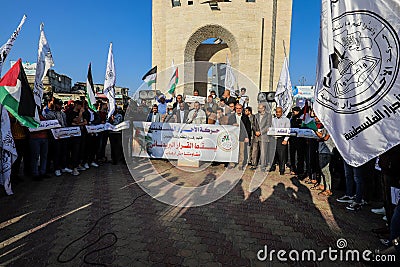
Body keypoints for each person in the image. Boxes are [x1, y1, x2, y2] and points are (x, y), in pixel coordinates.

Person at [44, 98, 72, 177]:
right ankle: (56, 168)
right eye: (58, 105)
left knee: (64, 152)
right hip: (55, 137)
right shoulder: (49, 114)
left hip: (64, 135)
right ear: (54, 105)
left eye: (60, 105)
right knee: (56, 153)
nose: (59, 106)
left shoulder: (63, 114)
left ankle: (64, 166)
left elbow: (65, 123)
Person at [314, 116, 335, 196]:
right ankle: (322, 185)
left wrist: (315, 130)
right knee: (323, 169)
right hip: (322, 149)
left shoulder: (329, 127)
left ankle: (328, 189)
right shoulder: (325, 127)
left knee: (325, 170)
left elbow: (325, 138)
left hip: (326, 150)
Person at [66, 100, 87, 176]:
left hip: (81, 134)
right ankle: (73, 167)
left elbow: (85, 122)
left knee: (80, 150)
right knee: (75, 151)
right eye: (80, 106)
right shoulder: (70, 113)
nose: (81, 108)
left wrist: (78, 123)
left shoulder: (81, 113)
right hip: (73, 135)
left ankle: (78, 164)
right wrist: (80, 113)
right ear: (76, 105)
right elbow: (77, 120)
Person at [227, 103, 251, 170]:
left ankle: (240, 164)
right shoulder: (231, 117)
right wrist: (232, 125)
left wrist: (247, 137)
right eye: (237, 108)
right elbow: (228, 126)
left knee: (241, 151)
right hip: (234, 137)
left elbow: (248, 128)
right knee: (233, 151)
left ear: (242, 109)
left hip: (242, 137)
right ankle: (232, 163)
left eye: (240, 108)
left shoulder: (245, 117)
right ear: (235, 109)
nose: (238, 110)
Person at [250, 104, 273, 172]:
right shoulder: (255, 115)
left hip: (264, 136)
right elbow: (253, 124)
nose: (258, 109)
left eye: (260, 108)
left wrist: (260, 132)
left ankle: (263, 166)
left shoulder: (268, 115)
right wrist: (256, 131)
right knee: (254, 151)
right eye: (258, 108)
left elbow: (268, 125)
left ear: (264, 108)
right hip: (256, 136)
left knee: (263, 152)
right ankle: (254, 164)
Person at [29, 113, 49, 180]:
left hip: (45, 138)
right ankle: (35, 174)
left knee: (44, 156)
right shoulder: (30, 116)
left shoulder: (43, 115)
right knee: (35, 157)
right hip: (35, 138)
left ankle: (43, 172)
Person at [271, 107, 290, 175]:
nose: (278, 113)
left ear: (282, 112)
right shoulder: (273, 120)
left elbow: (288, 130)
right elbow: (270, 128)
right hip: (273, 138)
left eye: (279, 112)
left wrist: (285, 140)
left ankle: (282, 170)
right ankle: (272, 167)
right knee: (273, 154)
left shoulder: (286, 120)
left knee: (281, 155)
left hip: (281, 139)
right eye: (277, 112)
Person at [289, 106, 305, 176]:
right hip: (292, 140)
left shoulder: (302, 119)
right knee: (292, 155)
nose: (293, 113)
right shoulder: (292, 119)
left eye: (294, 111)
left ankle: (300, 170)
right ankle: (293, 169)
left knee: (300, 156)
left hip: (300, 140)